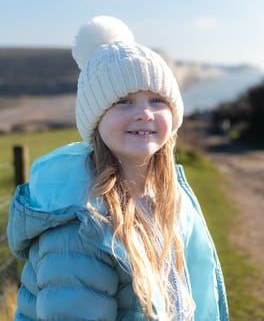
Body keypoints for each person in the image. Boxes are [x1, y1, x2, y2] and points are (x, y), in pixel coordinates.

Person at [7, 16, 229, 321]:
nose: (146, 114)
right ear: (95, 119)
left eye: (156, 99)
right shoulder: (79, 224)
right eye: (123, 101)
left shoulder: (167, 200)